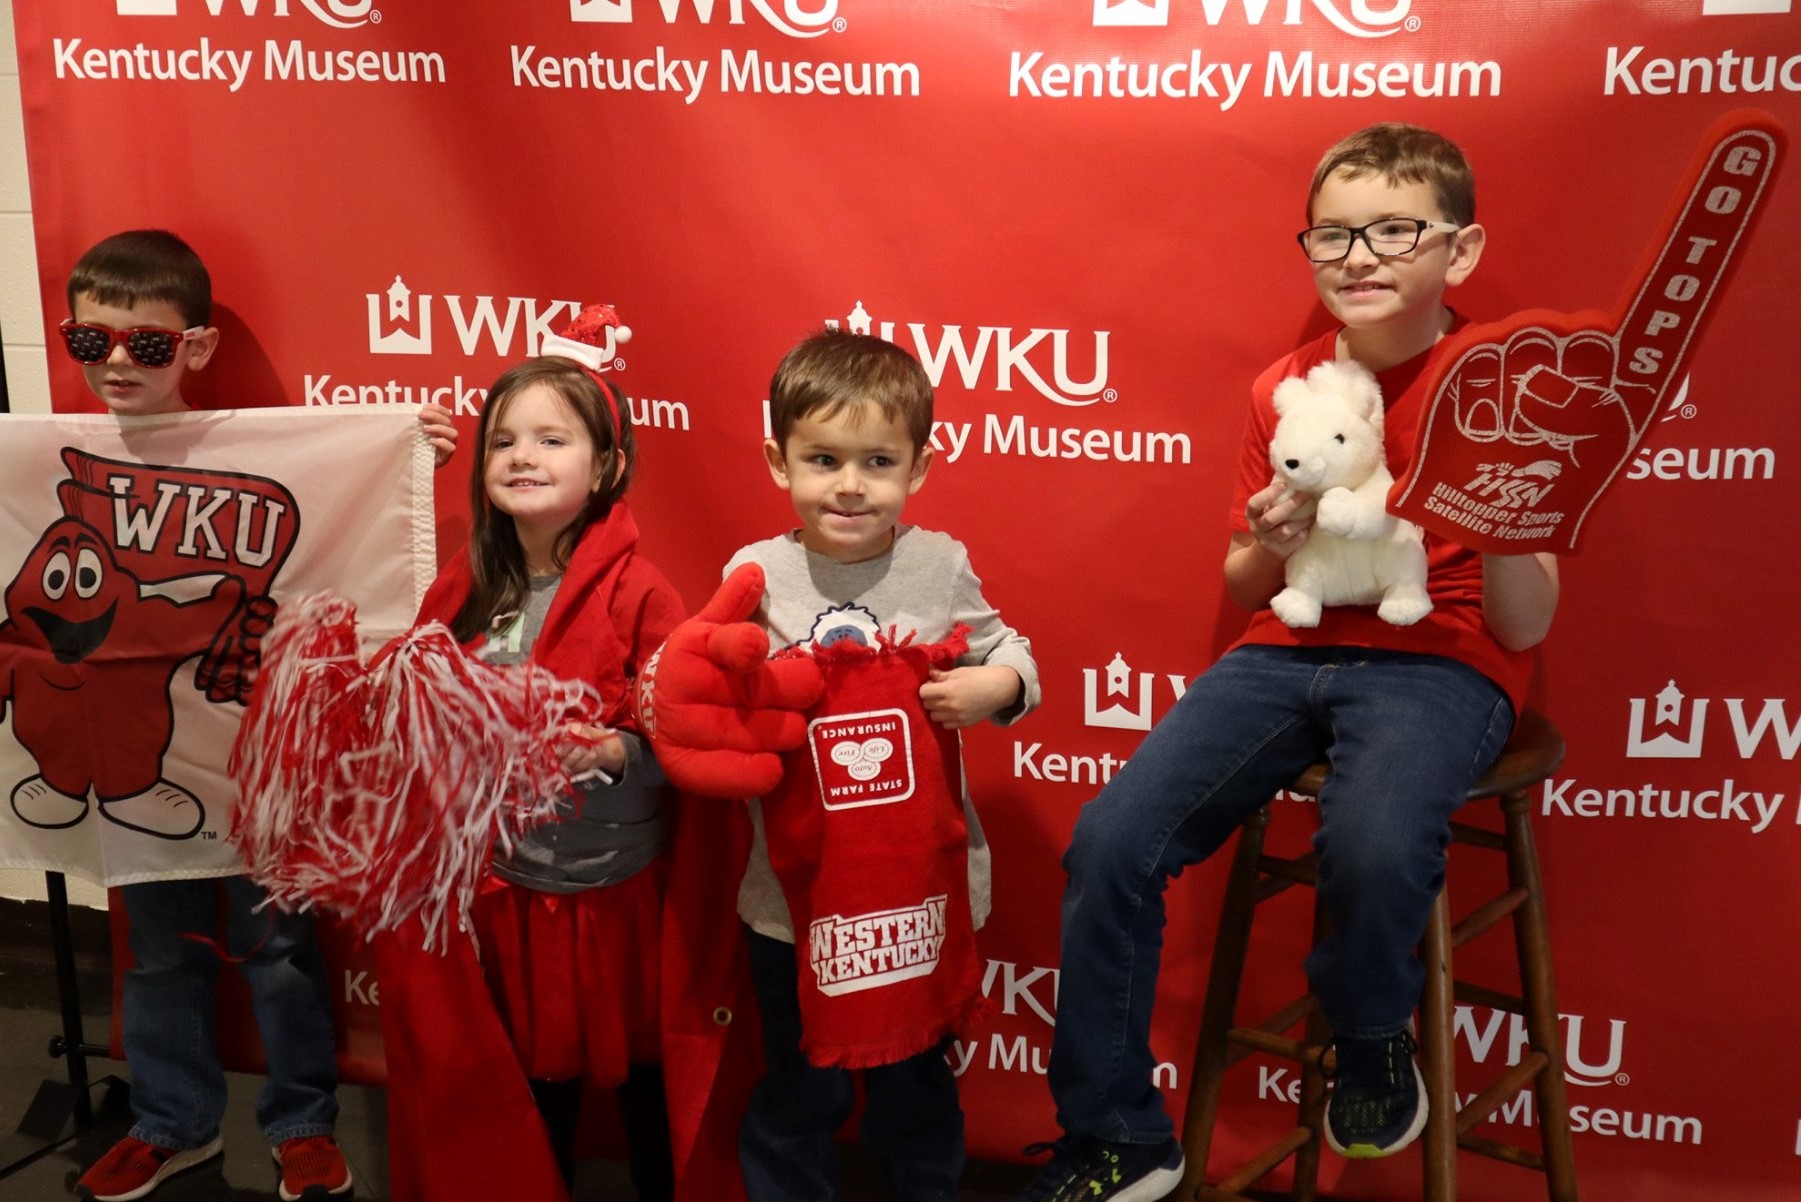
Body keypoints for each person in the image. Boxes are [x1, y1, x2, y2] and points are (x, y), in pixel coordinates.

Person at [1018, 123, 1560, 1202]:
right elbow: (1243, 586)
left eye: (1393, 229)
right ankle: (1120, 1133)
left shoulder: (1509, 383)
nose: (1358, 255)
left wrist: (1493, 512)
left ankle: (1368, 1037)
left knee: (1369, 835)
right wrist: (1271, 533)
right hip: (1288, 647)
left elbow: (1526, 622)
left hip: (1441, 656)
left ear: (1458, 251)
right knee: (1110, 840)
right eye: (1332, 234)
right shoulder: (1286, 387)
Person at [67, 229, 457, 1202]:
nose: (117, 362)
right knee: (157, 955)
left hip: (254, 761)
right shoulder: (49, 456)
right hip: (130, 764)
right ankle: (173, 1121)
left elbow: (339, 519)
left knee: (279, 953)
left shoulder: (253, 444)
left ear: (194, 347)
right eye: (91, 342)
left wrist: (404, 452)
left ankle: (301, 1123)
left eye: (146, 345)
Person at [372, 312, 682, 1202]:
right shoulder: (468, 583)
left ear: (607, 465)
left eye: (552, 437)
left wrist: (621, 750)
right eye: (502, 439)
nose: (521, 455)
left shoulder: (640, 592)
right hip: (507, 895)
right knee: (529, 1082)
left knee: (644, 1081)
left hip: (615, 895)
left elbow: (688, 730)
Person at [726, 328, 1041, 1201]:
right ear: (778, 461)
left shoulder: (938, 565)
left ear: (920, 467)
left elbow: (1010, 646)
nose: (850, 484)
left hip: (917, 900)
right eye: (823, 458)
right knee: (800, 1091)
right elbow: (711, 689)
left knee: (917, 1092)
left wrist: (997, 683)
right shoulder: (755, 574)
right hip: (793, 903)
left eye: (877, 460)